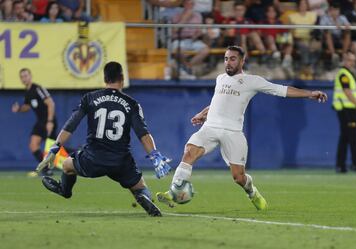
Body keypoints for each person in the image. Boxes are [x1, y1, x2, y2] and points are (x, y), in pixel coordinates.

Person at [156, 46, 327, 210]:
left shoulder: (252, 81)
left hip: (233, 132)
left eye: (232, 59)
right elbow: (218, 102)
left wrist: (309, 94)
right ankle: (173, 191)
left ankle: (252, 192)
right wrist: (203, 113)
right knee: (189, 152)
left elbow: (281, 90)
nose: (228, 62)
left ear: (242, 61)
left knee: (238, 177)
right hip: (210, 128)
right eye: (225, 59)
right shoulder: (220, 78)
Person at [36, 61, 171, 217]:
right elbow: (143, 134)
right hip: (121, 160)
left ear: (105, 78)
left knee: (67, 165)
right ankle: (144, 197)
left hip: (93, 158)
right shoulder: (131, 104)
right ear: (122, 78)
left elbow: (71, 124)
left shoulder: (90, 98)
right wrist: (155, 155)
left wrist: (55, 148)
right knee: (139, 186)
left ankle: (64, 191)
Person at [12, 68, 56, 176]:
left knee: (54, 149)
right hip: (40, 121)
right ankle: (46, 169)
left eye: (26, 75)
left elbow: (51, 104)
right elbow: (27, 107)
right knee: (33, 145)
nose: (24, 78)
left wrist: (50, 121)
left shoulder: (38, 89)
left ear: (30, 76)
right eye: (22, 77)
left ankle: (78, 154)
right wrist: (19, 109)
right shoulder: (27, 92)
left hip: (48, 120)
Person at [332, 52, 356, 173]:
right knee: (353, 137)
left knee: (345, 137)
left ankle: (340, 165)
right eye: (350, 60)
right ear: (344, 60)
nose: (352, 62)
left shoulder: (349, 74)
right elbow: (347, 92)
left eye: (353, 60)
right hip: (346, 109)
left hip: (347, 109)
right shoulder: (344, 74)